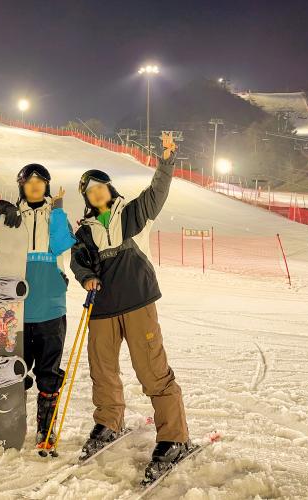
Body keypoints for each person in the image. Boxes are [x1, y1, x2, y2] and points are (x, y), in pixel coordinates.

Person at [70, 133, 190, 481]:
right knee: (102, 369)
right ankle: (109, 421)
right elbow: (78, 261)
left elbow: (157, 192)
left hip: (137, 302)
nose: (96, 194)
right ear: (87, 199)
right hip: (103, 308)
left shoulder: (135, 213)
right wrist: (87, 277)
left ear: (109, 189)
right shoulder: (85, 232)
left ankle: (174, 437)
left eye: (100, 187)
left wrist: (166, 160)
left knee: (152, 369)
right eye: (89, 192)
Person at [0, 164, 76, 449]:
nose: (35, 185)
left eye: (41, 181)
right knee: (13, 372)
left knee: (48, 373)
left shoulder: (55, 216)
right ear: (21, 186)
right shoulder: (10, 215)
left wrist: (58, 209)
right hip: (14, 311)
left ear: (47, 186)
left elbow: (61, 244)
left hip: (50, 307)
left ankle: (46, 430)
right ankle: (10, 423)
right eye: (29, 181)